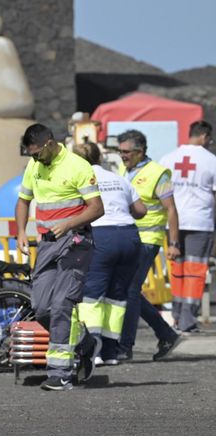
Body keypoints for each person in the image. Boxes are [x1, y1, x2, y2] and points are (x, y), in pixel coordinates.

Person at [15, 123, 104, 391]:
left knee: (62, 303)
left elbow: (97, 208)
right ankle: (86, 343)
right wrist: (21, 231)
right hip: (47, 244)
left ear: (49, 143)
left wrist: (68, 224)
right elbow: (23, 200)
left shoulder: (78, 166)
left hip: (75, 242)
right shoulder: (34, 166)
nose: (34, 159)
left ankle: (60, 373)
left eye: (36, 153)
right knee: (41, 306)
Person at [74, 142, 146, 365]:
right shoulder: (119, 178)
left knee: (92, 296)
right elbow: (141, 210)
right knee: (117, 297)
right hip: (129, 237)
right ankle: (111, 353)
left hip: (101, 237)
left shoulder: (79, 178)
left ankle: (92, 349)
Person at [116, 130, 182, 361]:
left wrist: (173, 243)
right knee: (128, 289)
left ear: (140, 151)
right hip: (130, 238)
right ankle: (166, 334)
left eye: (126, 152)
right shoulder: (127, 170)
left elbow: (171, 209)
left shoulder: (158, 174)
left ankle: (125, 347)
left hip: (148, 240)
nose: (122, 156)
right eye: (120, 151)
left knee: (130, 290)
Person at [160, 120, 216, 338]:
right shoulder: (211, 160)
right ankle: (187, 319)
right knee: (195, 272)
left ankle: (176, 315)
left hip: (172, 223)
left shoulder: (168, 158)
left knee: (176, 270)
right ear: (204, 136)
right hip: (200, 222)